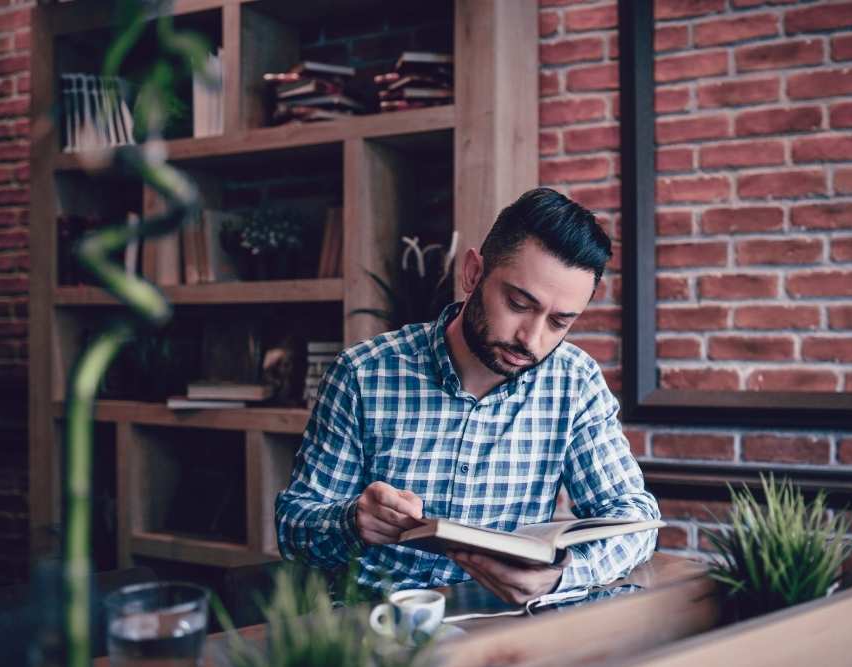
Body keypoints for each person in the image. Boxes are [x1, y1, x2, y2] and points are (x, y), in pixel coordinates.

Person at [276, 188, 660, 604]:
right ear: (473, 273)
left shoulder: (574, 381)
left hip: (503, 629)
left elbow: (635, 519)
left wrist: (561, 578)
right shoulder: (362, 374)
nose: (532, 338)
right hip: (378, 628)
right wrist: (352, 521)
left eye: (560, 322)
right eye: (518, 303)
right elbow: (294, 530)